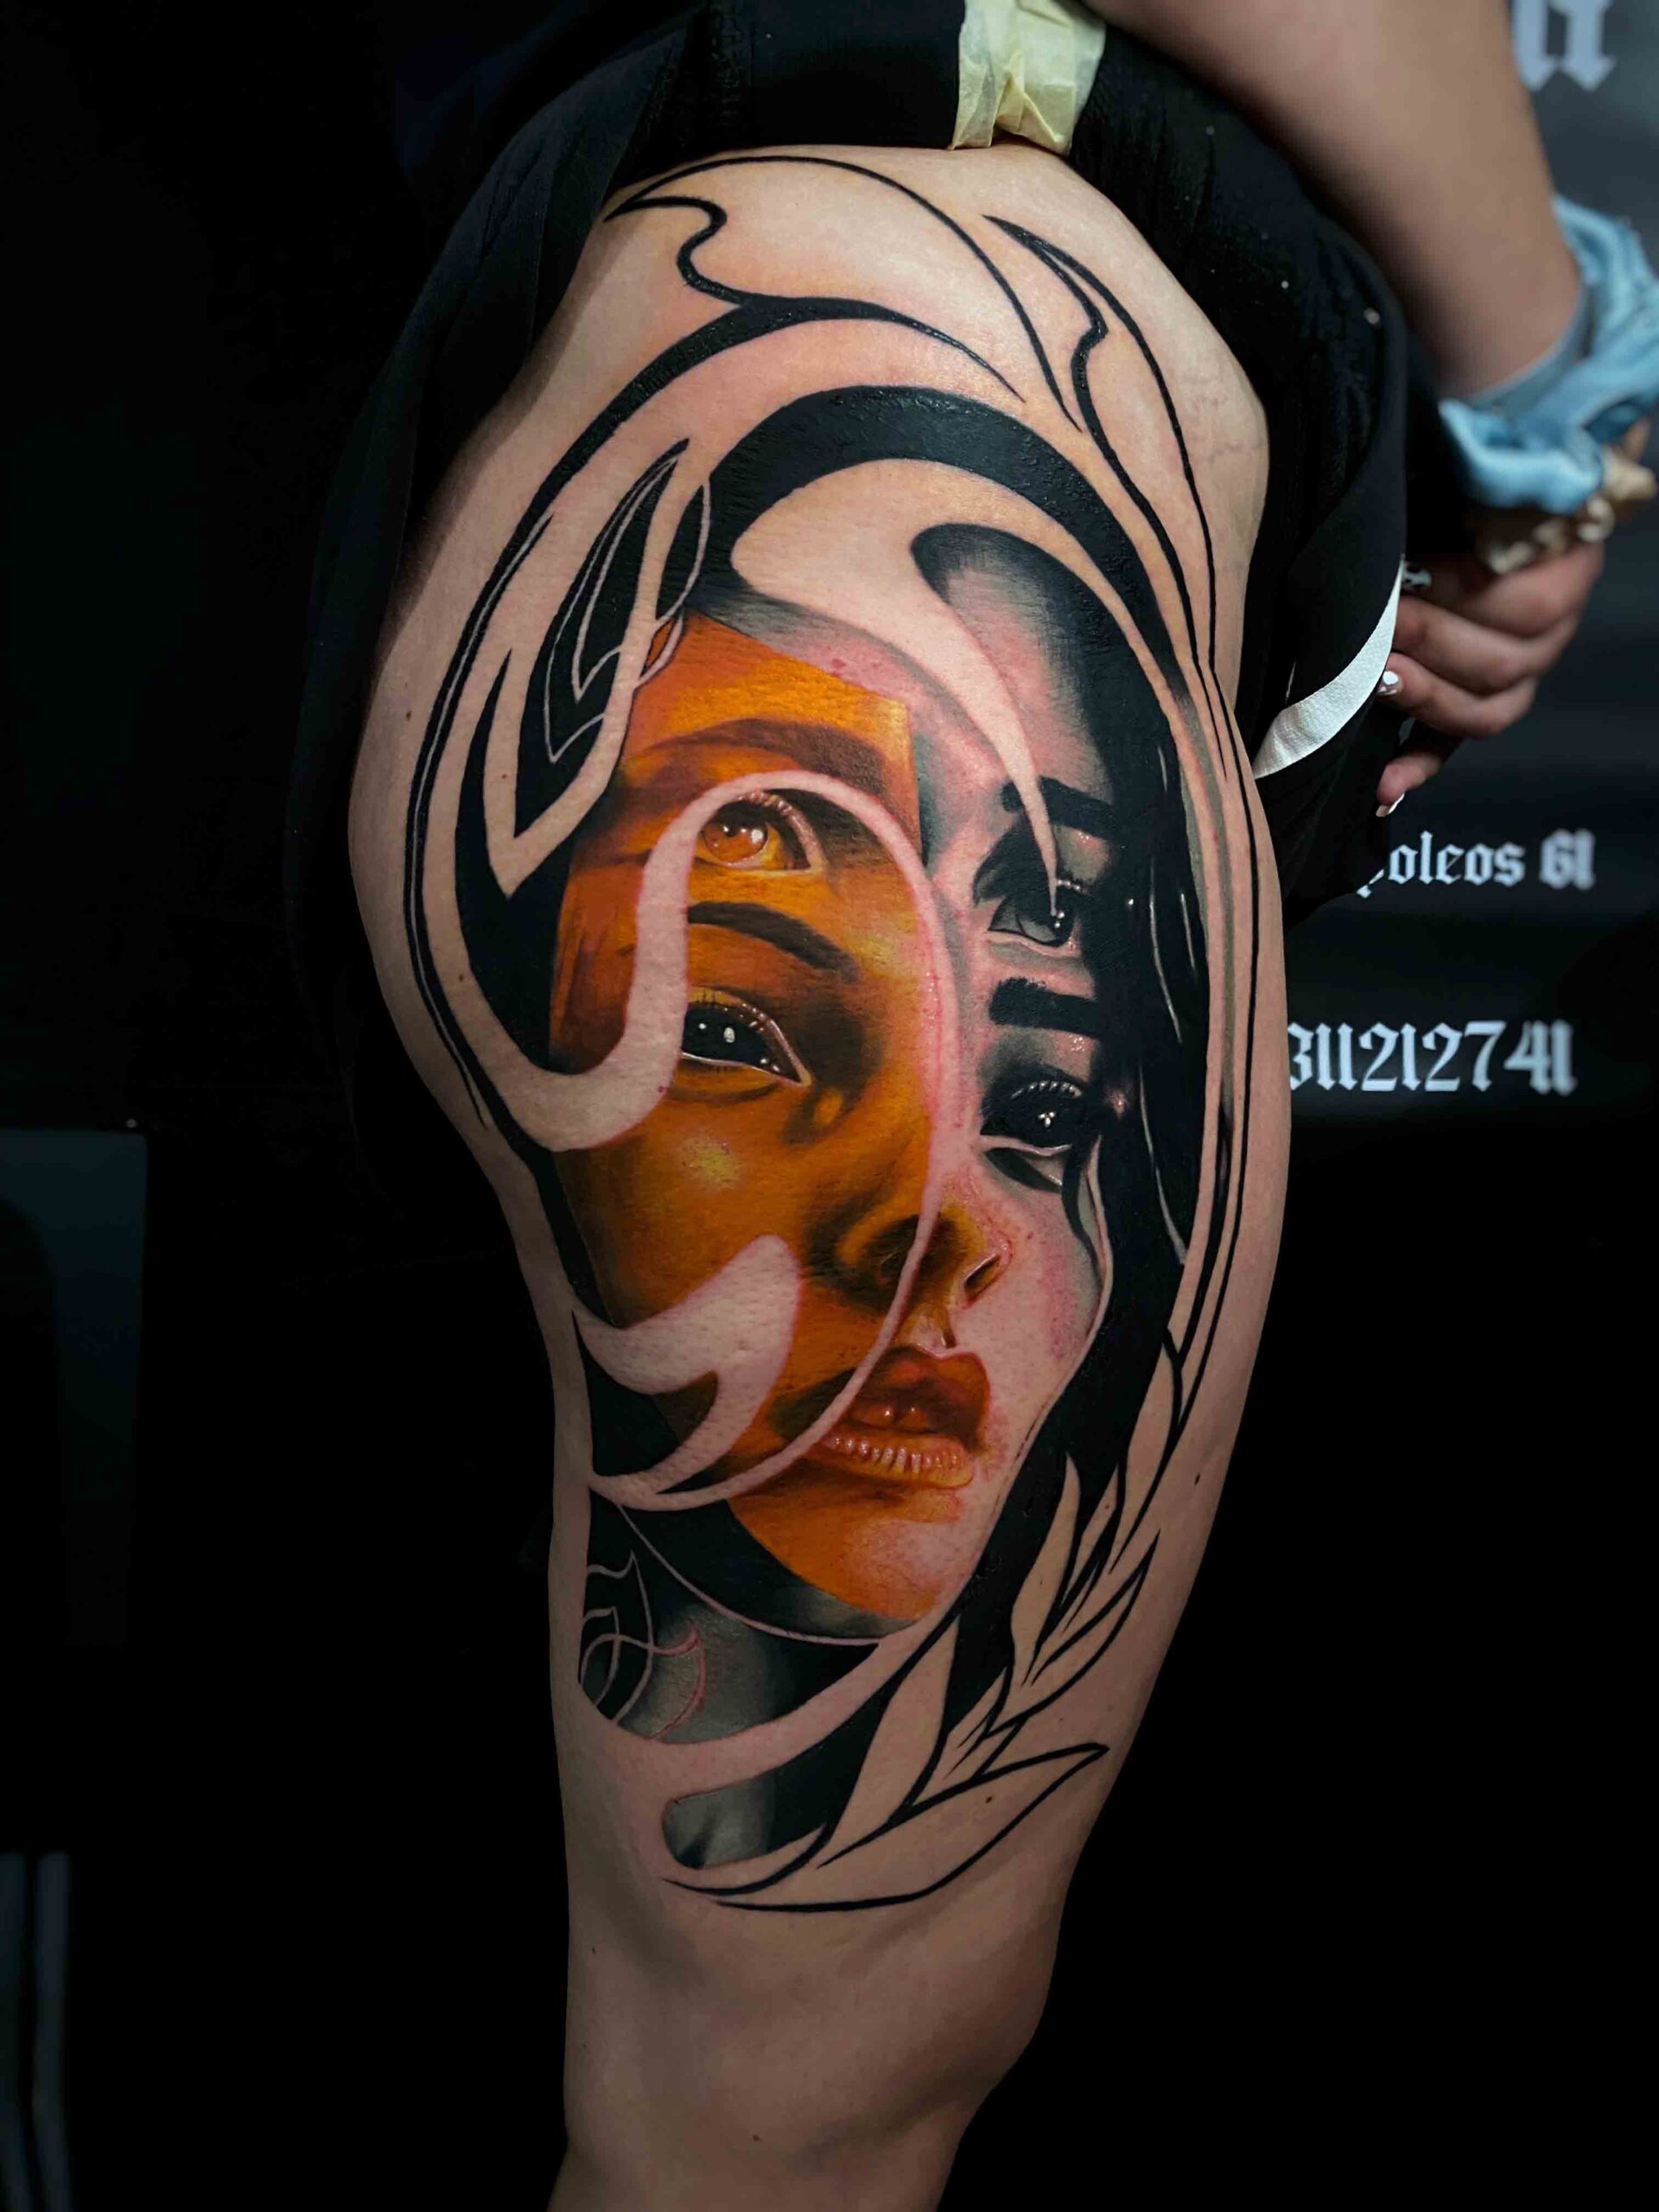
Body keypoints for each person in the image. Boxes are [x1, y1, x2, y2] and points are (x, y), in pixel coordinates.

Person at [303, 4, 1657, 2203]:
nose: (928, 1242)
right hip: (918, 354)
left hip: (771, 376)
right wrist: (1557, 386)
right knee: (780, 2123)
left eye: (1046, 1116)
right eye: (747, 1035)